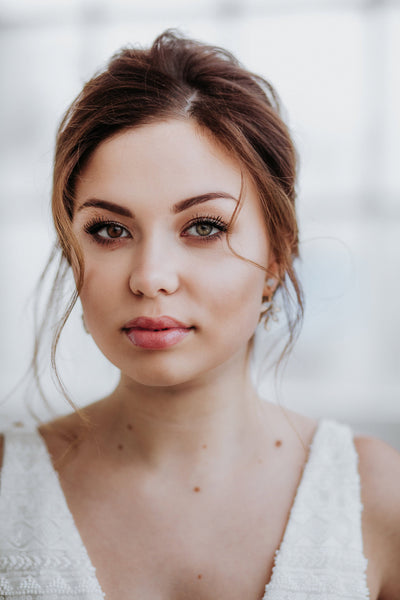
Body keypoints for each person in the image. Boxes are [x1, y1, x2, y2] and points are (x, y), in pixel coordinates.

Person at [0, 29, 399, 600]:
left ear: (277, 258)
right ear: (72, 252)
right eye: (110, 230)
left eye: (204, 227)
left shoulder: (377, 496)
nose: (150, 276)